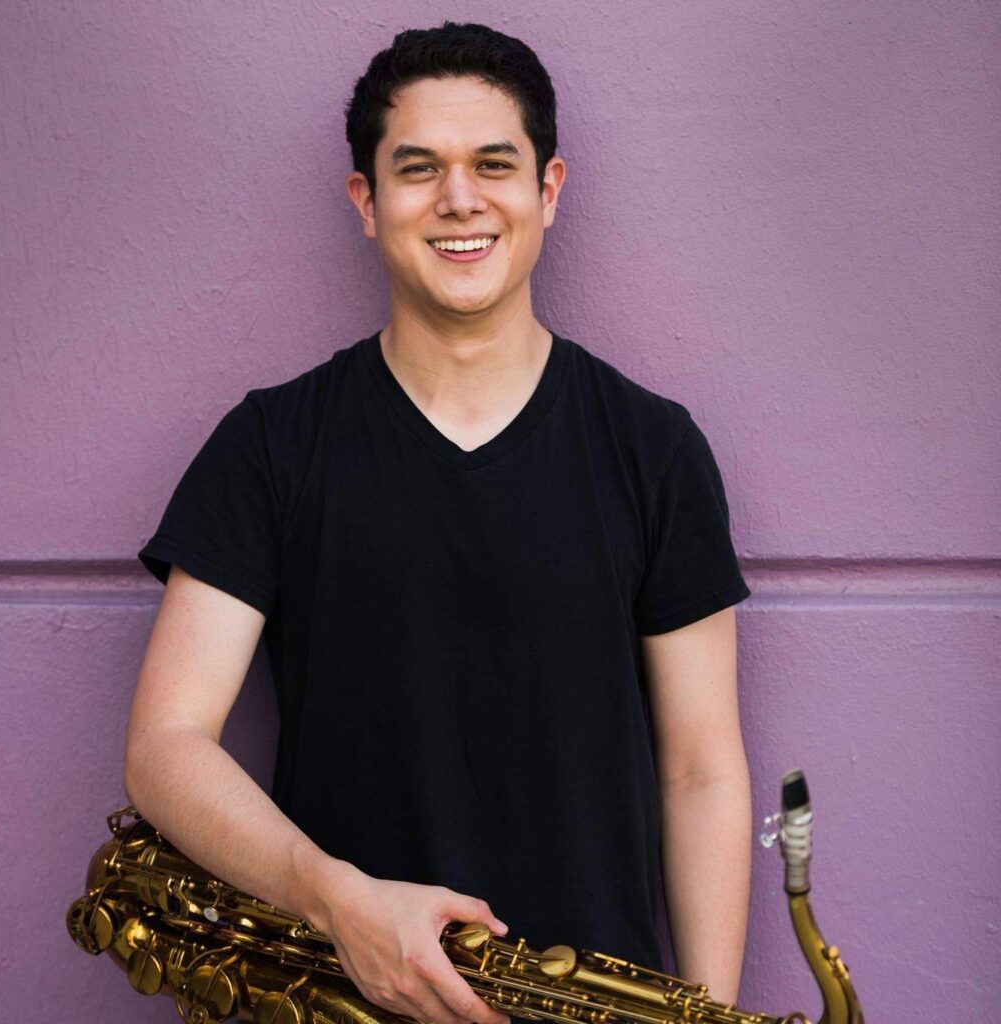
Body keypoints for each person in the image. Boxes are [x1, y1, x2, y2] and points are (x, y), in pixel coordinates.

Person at [127, 20, 754, 1023]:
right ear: (365, 203)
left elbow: (701, 768)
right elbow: (165, 745)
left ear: (547, 190)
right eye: (417, 169)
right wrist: (337, 898)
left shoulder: (654, 448)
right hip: (341, 1000)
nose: (459, 198)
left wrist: (707, 1015)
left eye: (492, 165)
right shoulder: (270, 444)